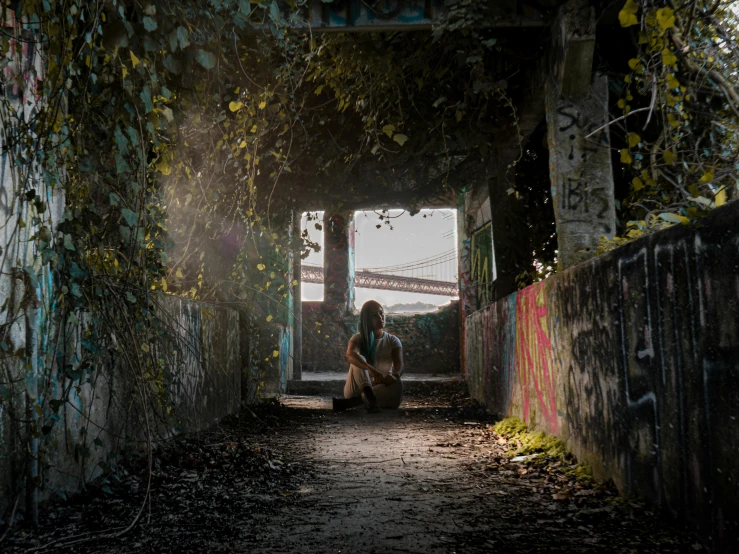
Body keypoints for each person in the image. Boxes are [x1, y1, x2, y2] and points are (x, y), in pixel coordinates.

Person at [332, 300, 404, 412]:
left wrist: (395, 375)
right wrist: (371, 370)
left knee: (398, 384)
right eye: (375, 315)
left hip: (380, 390)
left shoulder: (393, 340)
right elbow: (350, 354)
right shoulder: (357, 338)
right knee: (358, 359)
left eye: (381, 313)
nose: (381, 317)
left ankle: (356, 402)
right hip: (357, 389)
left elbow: (399, 365)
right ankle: (368, 395)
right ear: (367, 319)